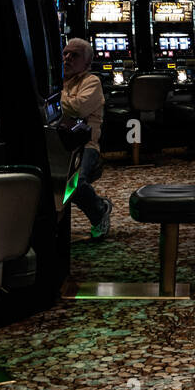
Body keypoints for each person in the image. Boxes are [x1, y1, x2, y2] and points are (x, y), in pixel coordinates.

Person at [59, 37, 112, 245]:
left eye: (75, 55)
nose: (67, 58)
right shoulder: (59, 79)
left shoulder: (92, 82)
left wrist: (56, 97)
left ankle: (100, 211)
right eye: (65, 53)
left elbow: (78, 108)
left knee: (73, 183)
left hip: (85, 145)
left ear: (87, 63)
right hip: (57, 141)